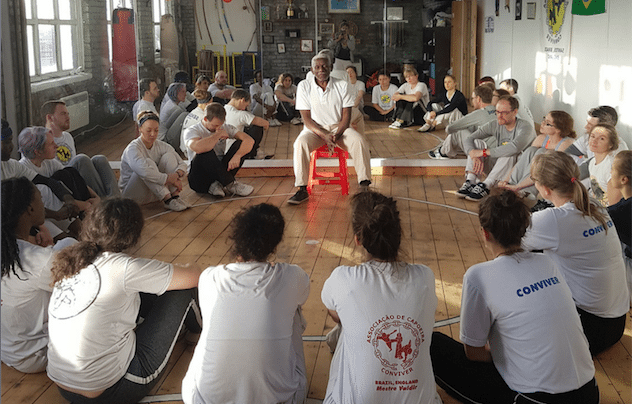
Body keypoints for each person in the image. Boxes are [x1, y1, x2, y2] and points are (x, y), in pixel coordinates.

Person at [431, 188, 599, 404]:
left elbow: (474, 353)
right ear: (524, 229)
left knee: (433, 345)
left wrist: (509, 356)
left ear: (485, 233)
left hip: (536, 400)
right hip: (590, 393)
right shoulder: (546, 262)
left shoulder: (478, 276)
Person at [46, 197, 202, 404]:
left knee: (143, 290)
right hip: (113, 390)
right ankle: (198, 332)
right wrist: (187, 266)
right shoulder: (123, 267)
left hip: (64, 387)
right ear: (134, 235)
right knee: (181, 290)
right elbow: (195, 276)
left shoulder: (73, 262)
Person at [182, 203, 309, 404]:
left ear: (237, 239)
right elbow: (301, 296)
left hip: (203, 399)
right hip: (280, 400)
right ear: (275, 244)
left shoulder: (210, 277)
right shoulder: (292, 276)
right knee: (293, 311)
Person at [321, 191, 441, 404]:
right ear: (399, 234)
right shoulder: (425, 276)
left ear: (358, 239)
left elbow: (335, 314)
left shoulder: (343, 278)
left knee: (344, 329)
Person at [524, 151, 629, 355]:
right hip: (616, 323)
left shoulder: (553, 219)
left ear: (545, 189)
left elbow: (506, 241)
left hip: (590, 330)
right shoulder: (595, 205)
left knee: (518, 257)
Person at [1, 177, 76, 373]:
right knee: (69, 245)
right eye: (41, 199)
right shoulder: (37, 259)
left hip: (7, 349)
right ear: (30, 209)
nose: (44, 204)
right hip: (36, 354)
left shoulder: (10, 251)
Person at [289, 52, 372, 205]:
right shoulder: (304, 86)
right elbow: (306, 119)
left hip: (339, 128)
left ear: (331, 67)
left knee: (359, 141)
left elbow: (346, 117)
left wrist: (335, 135)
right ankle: (302, 189)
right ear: (312, 70)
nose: (321, 70)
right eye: (317, 67)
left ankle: (364, 185)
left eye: (324, 66)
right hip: (314, 130)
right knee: (300, 143)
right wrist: (324, 135)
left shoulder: (342, 85)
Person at [2, 120, 80, 232]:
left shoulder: (12, 165)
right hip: (9, 226)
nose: (12, 146)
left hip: (27, 218)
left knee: (43, 187)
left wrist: (69, 200)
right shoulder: (21, 164)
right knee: (41, 190)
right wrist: (54, 214)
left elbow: (48, 182)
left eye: (11, 141)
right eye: (6, 142)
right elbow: (12, 208)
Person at [18, 126, 100, 234]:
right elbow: (51, 200)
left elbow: (73, 178)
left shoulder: (49, 162)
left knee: (70, 172)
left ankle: (88, 218)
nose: (56, 146)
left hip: (68, 205)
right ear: (37, 151)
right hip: (47, 214)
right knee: (47, 187)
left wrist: (95, 197)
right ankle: (84, 225)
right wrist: (86, 205)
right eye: (51, 144)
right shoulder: (23, 169)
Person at [456, 95, 535, 201]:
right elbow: (469, 139)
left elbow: (514, 148)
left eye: (504, 113)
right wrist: (472, 153)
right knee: (476, 143)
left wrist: (483, 152)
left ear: (515, 112)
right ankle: (471, 181)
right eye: (497, 112)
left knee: (508, 152)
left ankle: (486, 186)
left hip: (515, 174)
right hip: (499, 170)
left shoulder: (525, 127)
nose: (499, 116)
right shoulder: (495, 124)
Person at [43, 100, 120, 198]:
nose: (68, 117)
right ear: (49, 118)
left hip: (74, 177)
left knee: (100, 159)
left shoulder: (68, 136)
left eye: (67, 114)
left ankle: (116, 198)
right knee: (81, 159)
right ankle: (103, 202)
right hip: (60, 180)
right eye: (63, 114)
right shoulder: (44, 139)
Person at [119, 111, 189, 212]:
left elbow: (182, 163)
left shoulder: (162, 145)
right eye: (149, 130)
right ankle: (168, 200)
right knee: (148, 164)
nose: (153, 134)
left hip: (155, 192)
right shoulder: (132, 148)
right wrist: (167, 178)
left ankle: (175, 197)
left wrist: (177, 175)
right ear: (140, 129)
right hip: (133, 196)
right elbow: (144, 172)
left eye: (156, 130)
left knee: (169, 156)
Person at [183, 102, 255, 197]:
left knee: (240, 144)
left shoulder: (225, 127)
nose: (218, 128)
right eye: (215, 125)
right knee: (205, 150)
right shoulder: (192, 130)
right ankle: (230, 184)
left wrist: (238, 155)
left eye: (220, 125)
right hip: (199, 177)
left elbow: (249, 140)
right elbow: (197, 147)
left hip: (219, 171)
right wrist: (217, 135)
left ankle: (219, 184)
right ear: (205, 119)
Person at [498, 110, 576, 197]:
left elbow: (545, 172)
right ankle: (511, 184)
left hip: (553, 176)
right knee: (531, 150)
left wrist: (518, 187)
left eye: (547, 123)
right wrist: (506, 180)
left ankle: (525, 191)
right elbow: (523, 163)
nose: (542, 123)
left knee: (543, 153)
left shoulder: (566, 144)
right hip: (532, 177)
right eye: (544, 119)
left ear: (558, 129)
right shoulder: (541, 139)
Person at [428, 84, 496, 159]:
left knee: (459, 130)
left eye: (472, 98)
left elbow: (450, 128)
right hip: (495, 150)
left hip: (485, 151)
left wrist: (449, 133)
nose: (472, 101)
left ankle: (442, 153)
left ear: (478, 99)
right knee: (471, 130)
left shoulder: (479, 113)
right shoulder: (497, 111)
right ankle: (447, 149)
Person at [607, 150, 632, 305]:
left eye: (612, 169)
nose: (610, 173)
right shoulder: (620, 208)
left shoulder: (618, 212)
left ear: (623, 179)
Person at [225, 89, 272, 160]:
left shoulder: (223, 109)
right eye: (246, 105)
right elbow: (263, 123)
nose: (244, 108)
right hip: (235, 148)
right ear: (242, 100)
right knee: (257, 126)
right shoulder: (241, 114)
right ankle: (253, 153)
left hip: (224, 148)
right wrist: (266, 126)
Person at [586, 124, 621, 206]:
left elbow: (615, 205)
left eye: (601, 138)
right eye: (592, 136)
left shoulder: (611, 166)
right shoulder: (592, 162)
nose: (594, 141)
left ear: (610, 144)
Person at [180, 89, 214, 154]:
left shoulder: (192, 112)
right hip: (192, 151)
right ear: (207, 104)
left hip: (184, 148)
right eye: (211, 103)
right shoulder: (203, 117)